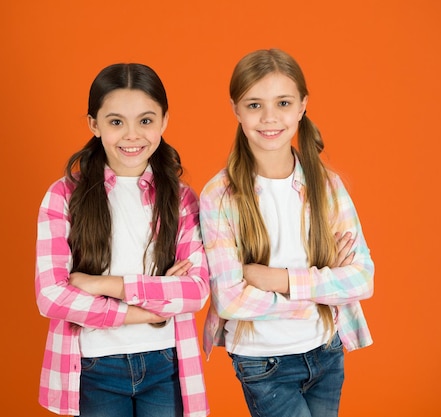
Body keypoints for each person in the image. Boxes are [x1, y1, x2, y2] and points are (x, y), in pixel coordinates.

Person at [200, 49, 375, 417]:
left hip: (325, 351)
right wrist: (322, 290)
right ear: (235, 109)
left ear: (302, 106)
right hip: (263, 363)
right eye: (254, 105)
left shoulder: (326, 185)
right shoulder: (219, 196)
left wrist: (274, 279)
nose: (269, 118)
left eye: (283, 102)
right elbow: (231, 301)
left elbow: (361, 279)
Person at [35, 63, 210, 417]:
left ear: (164, 121)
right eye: (116, 122)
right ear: (94, 124)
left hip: (166, 365)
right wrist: (146, 308)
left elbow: (195, 291)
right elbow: (50, 296)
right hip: (94, 367)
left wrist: (100, 284)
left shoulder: (182, 199)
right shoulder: (63, 197)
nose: (132, 135)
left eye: (145, 121)